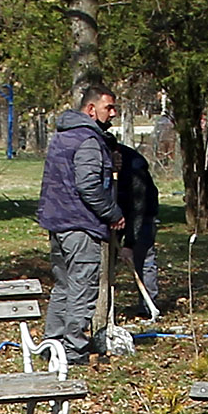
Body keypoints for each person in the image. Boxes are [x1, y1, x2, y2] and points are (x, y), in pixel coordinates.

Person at [38, 86, 123, 367]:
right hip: (79, 224)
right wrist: (113, 213)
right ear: (91, 109)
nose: (113, 113)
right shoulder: (87, 141)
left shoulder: (63, 136)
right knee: (81, 288)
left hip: (58, 223)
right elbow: (89, 186)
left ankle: (52, 345)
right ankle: (74, 350)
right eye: (108, 107)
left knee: (63, 286)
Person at [114, 137, 163, 319]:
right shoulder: (98, 161)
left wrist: (129, 244)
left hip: (142, 215)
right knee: (105, 262)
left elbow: (139, 208)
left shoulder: (135, 166)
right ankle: (104, 308)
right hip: (114, 214)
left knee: (144, 258)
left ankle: (148, 307)